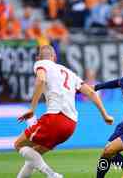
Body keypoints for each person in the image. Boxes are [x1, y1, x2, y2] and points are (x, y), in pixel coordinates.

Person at [14, 45, 114, 178]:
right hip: (71, 125)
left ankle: (52, 175)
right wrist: (105, 115)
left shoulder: (41, 64)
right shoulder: (69, 73)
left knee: (18, 145)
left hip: (55, 117)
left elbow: (41, 79)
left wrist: (32, 109)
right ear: (54, 57)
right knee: (34, 155)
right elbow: (90, 91)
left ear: (38, 58)